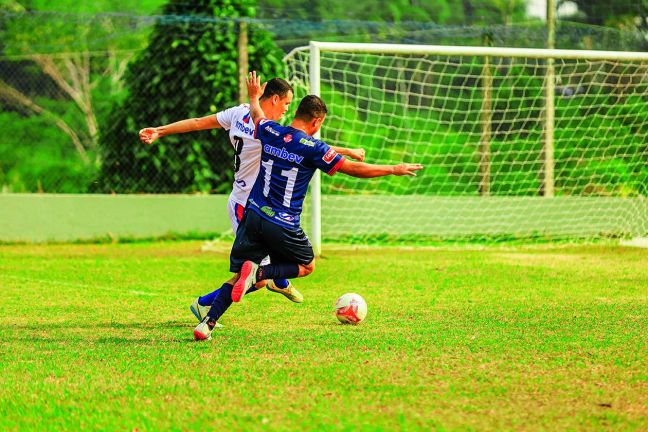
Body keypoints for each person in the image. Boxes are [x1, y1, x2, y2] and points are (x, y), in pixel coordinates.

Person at [193, 72, 423, 340]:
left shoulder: (271, 130)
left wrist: (254, 96)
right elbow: (353, 169)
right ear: (316, 121)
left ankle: (206, 324)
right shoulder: (313, 147)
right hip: (282, 222)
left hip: (253, 214)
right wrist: (393, 168)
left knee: (238, 279)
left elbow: (257, 115)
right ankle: (260, 273)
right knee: (306, 264)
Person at [139, 78, 366, 325]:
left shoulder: (239, 114)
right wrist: (346, 153)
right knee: (256, 279)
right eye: (286, 103)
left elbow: (197, 123)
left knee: (267, 267)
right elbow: (306, 146)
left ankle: (279, 282)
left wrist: (160, 130)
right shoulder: (268, 130)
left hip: (253, 203)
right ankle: (204, 303)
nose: (287, 110)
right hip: (248, 208)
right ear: (275, 99)